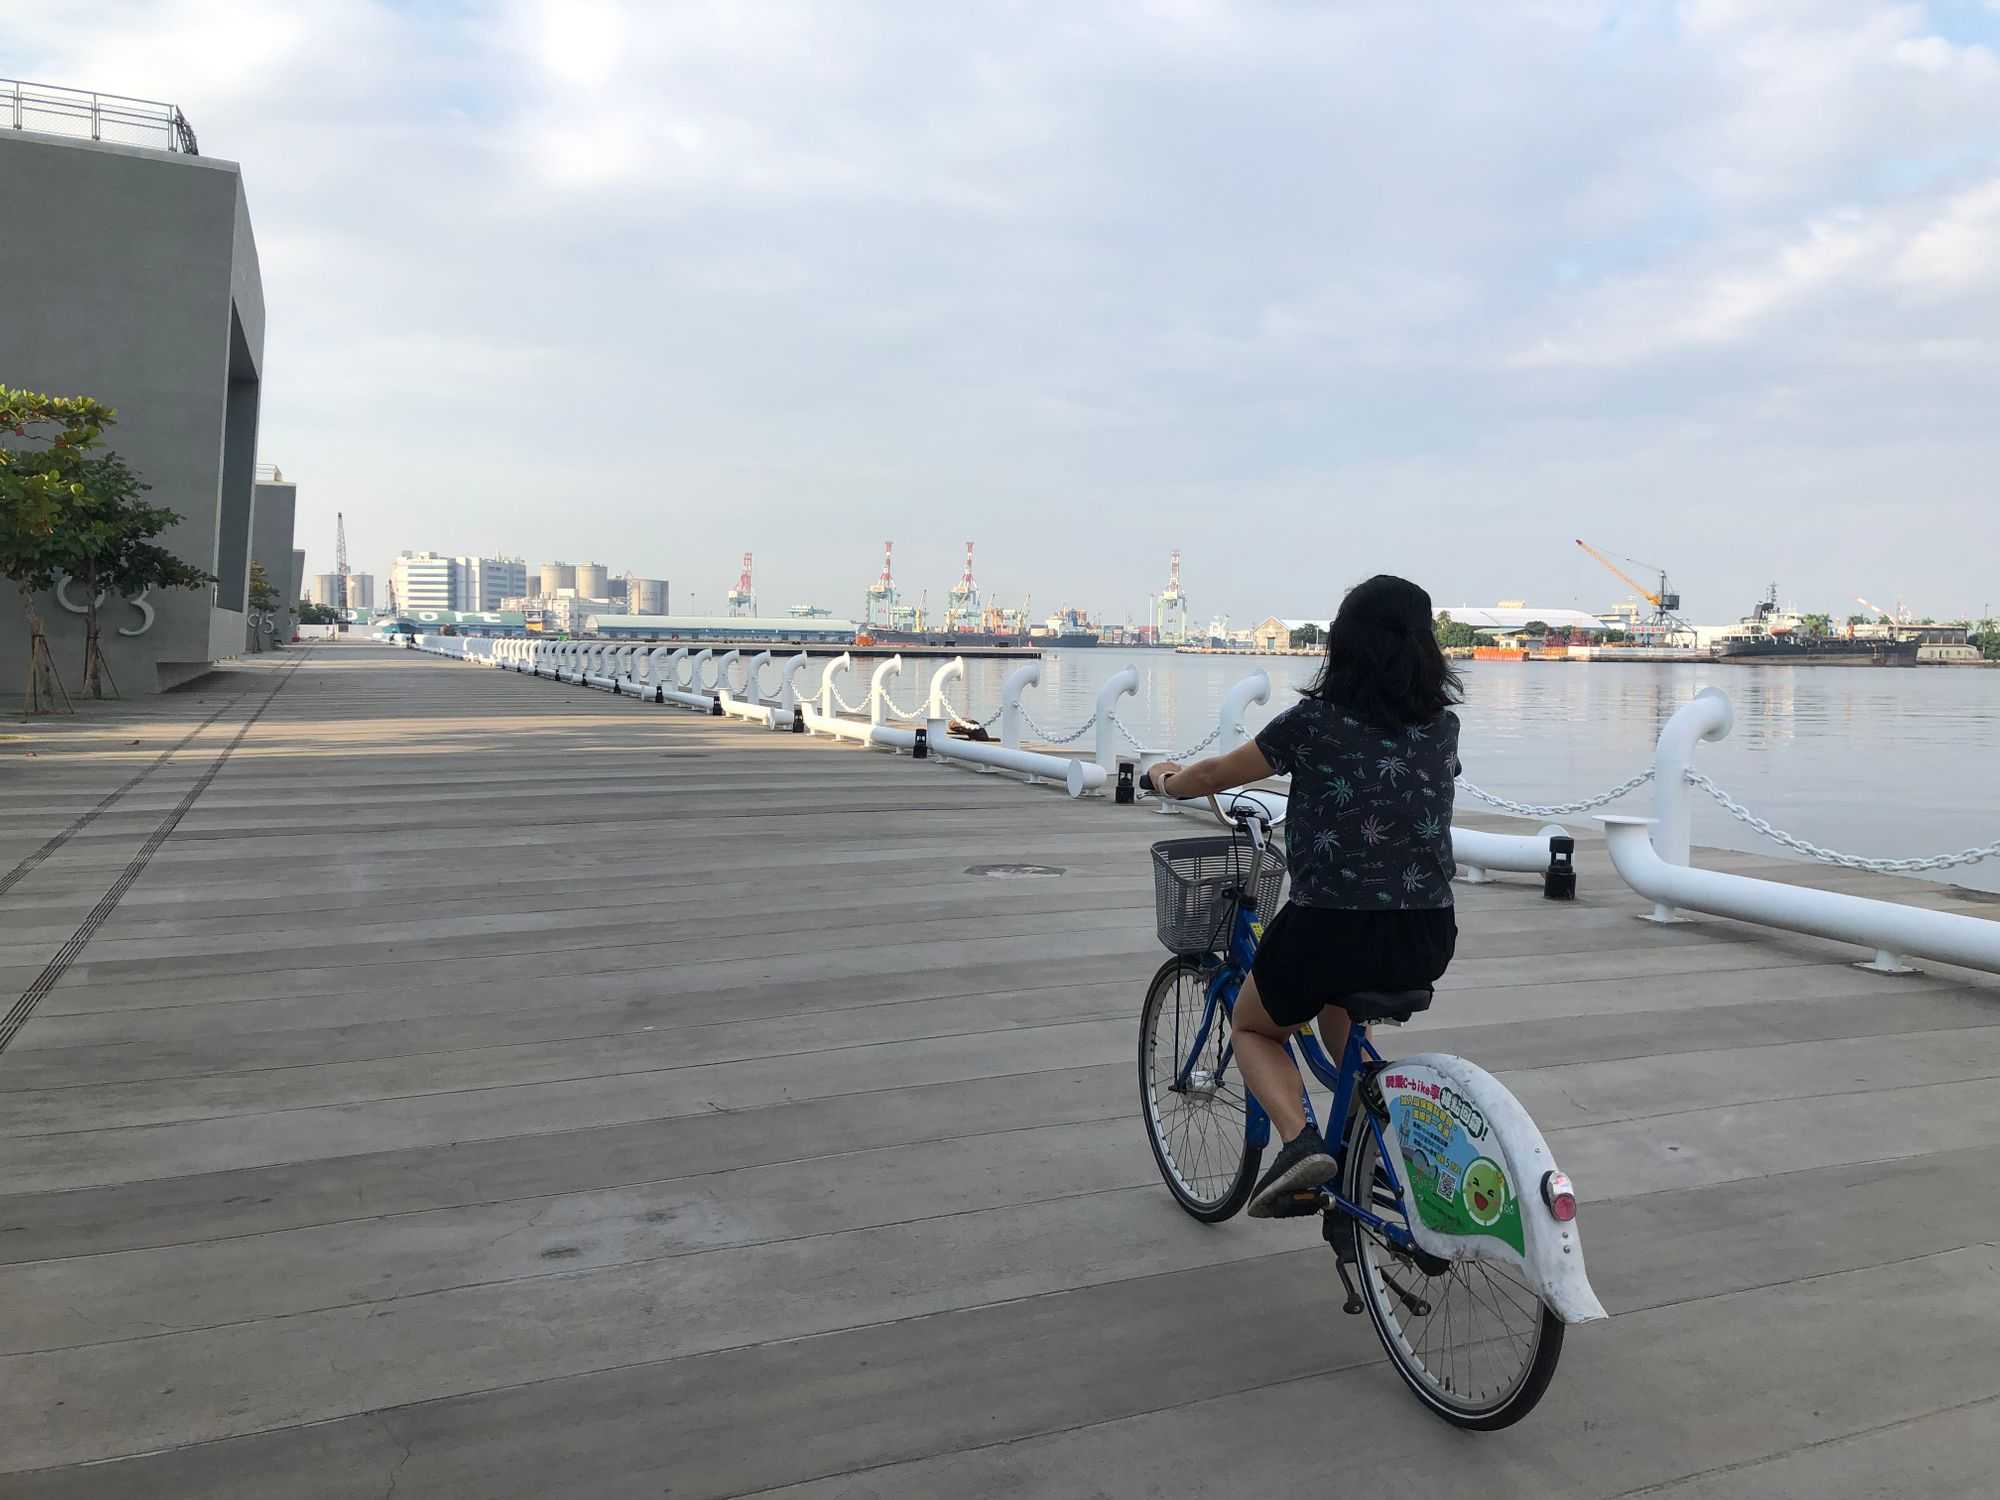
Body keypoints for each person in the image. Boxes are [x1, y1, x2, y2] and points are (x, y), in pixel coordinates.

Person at [1147, 575, 1462, 1218]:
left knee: (1254, 1026)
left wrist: (1168, 780)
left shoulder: (1314, 723)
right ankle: (1366, 1125)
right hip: (1426, 934)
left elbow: (1216, 773)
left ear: (1342, 647)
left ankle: (1300, 1145)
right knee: (1335, 1008)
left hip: (1331, 929)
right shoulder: (1443, 727)